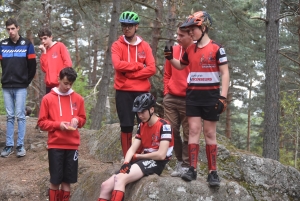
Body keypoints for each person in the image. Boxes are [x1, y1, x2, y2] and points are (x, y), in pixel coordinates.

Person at [164, 11, 230, 187]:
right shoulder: (189, 49)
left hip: (211, 97)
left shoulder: (217, 48)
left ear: (203, 28)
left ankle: (213, 172)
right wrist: (170, 58)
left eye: (193, 28)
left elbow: (225, 73)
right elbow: (181, 66)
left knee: (209, 133)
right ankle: (192, 169)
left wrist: (223, 97)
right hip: (192, 96)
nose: (191, 32)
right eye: (189, 29)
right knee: (193, 131)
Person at [97, 93, 173, 201]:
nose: (140, 115)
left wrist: (138, 156)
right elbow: (132, 149)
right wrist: (126, 162)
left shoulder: (164, 125)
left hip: (156, 162)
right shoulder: (142, 125)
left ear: (151, 109)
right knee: (105, 186)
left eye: (142, 112)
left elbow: (161, 155)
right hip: (142, 160)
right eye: (138, 112)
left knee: (120, 179)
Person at [112, 11, 156, 158]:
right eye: (124, 25)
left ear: (136, 26)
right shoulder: (117, 45)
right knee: (126, 126)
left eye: (130, 26)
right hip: (123, 92)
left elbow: (151, 68)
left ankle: (141, 156)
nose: (127, 29)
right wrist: (138, 66)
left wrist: (129, 73)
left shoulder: (145, 46)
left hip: (142, 92)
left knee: (144, 124)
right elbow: (118, 65)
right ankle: (127, 159)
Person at [37, 67, 86, 201]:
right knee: (55, 180)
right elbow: (41, 123)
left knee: (67, 181)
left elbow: (83, 119)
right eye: (65, 83)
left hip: (72, 146)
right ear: (58, 79)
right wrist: (58, 125)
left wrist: (77, 120)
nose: (67, 86)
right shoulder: (47, 99)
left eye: (70, 84)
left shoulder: (78, 99)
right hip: (55, 145)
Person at [0, 18, 37, 158]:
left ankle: (20, 146)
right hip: (6, 86)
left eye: (13, 28)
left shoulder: (27, 44)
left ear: (18, 28)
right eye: (8, 29)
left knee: (20, 116)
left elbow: (32, 66)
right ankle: (9, 145)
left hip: (21, 86)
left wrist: (25, 82)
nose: (11, 31)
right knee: (9, 116)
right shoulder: (2, 44)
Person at [163, 26, 194, 177]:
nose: (178, 38)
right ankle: (180, 162)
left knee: (189, 134)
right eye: (177, 34)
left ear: (191, 35)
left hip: (190, 99)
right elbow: (167, 73)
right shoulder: (173, 50)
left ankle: (188, 166)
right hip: (171, 98)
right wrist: (166, 92)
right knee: (171, 131)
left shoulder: (196, 52)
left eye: (181, 35)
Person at [38, 27, 72, 94]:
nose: (43, 41)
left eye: (45, 38)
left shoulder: (60, 46)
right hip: (49, 86)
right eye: (41, 39)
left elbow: (68, 63)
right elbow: (44, 69)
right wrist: (44, 53)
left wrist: (62, 78)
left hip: (60, 84)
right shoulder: (44, 51)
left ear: (51, 37)